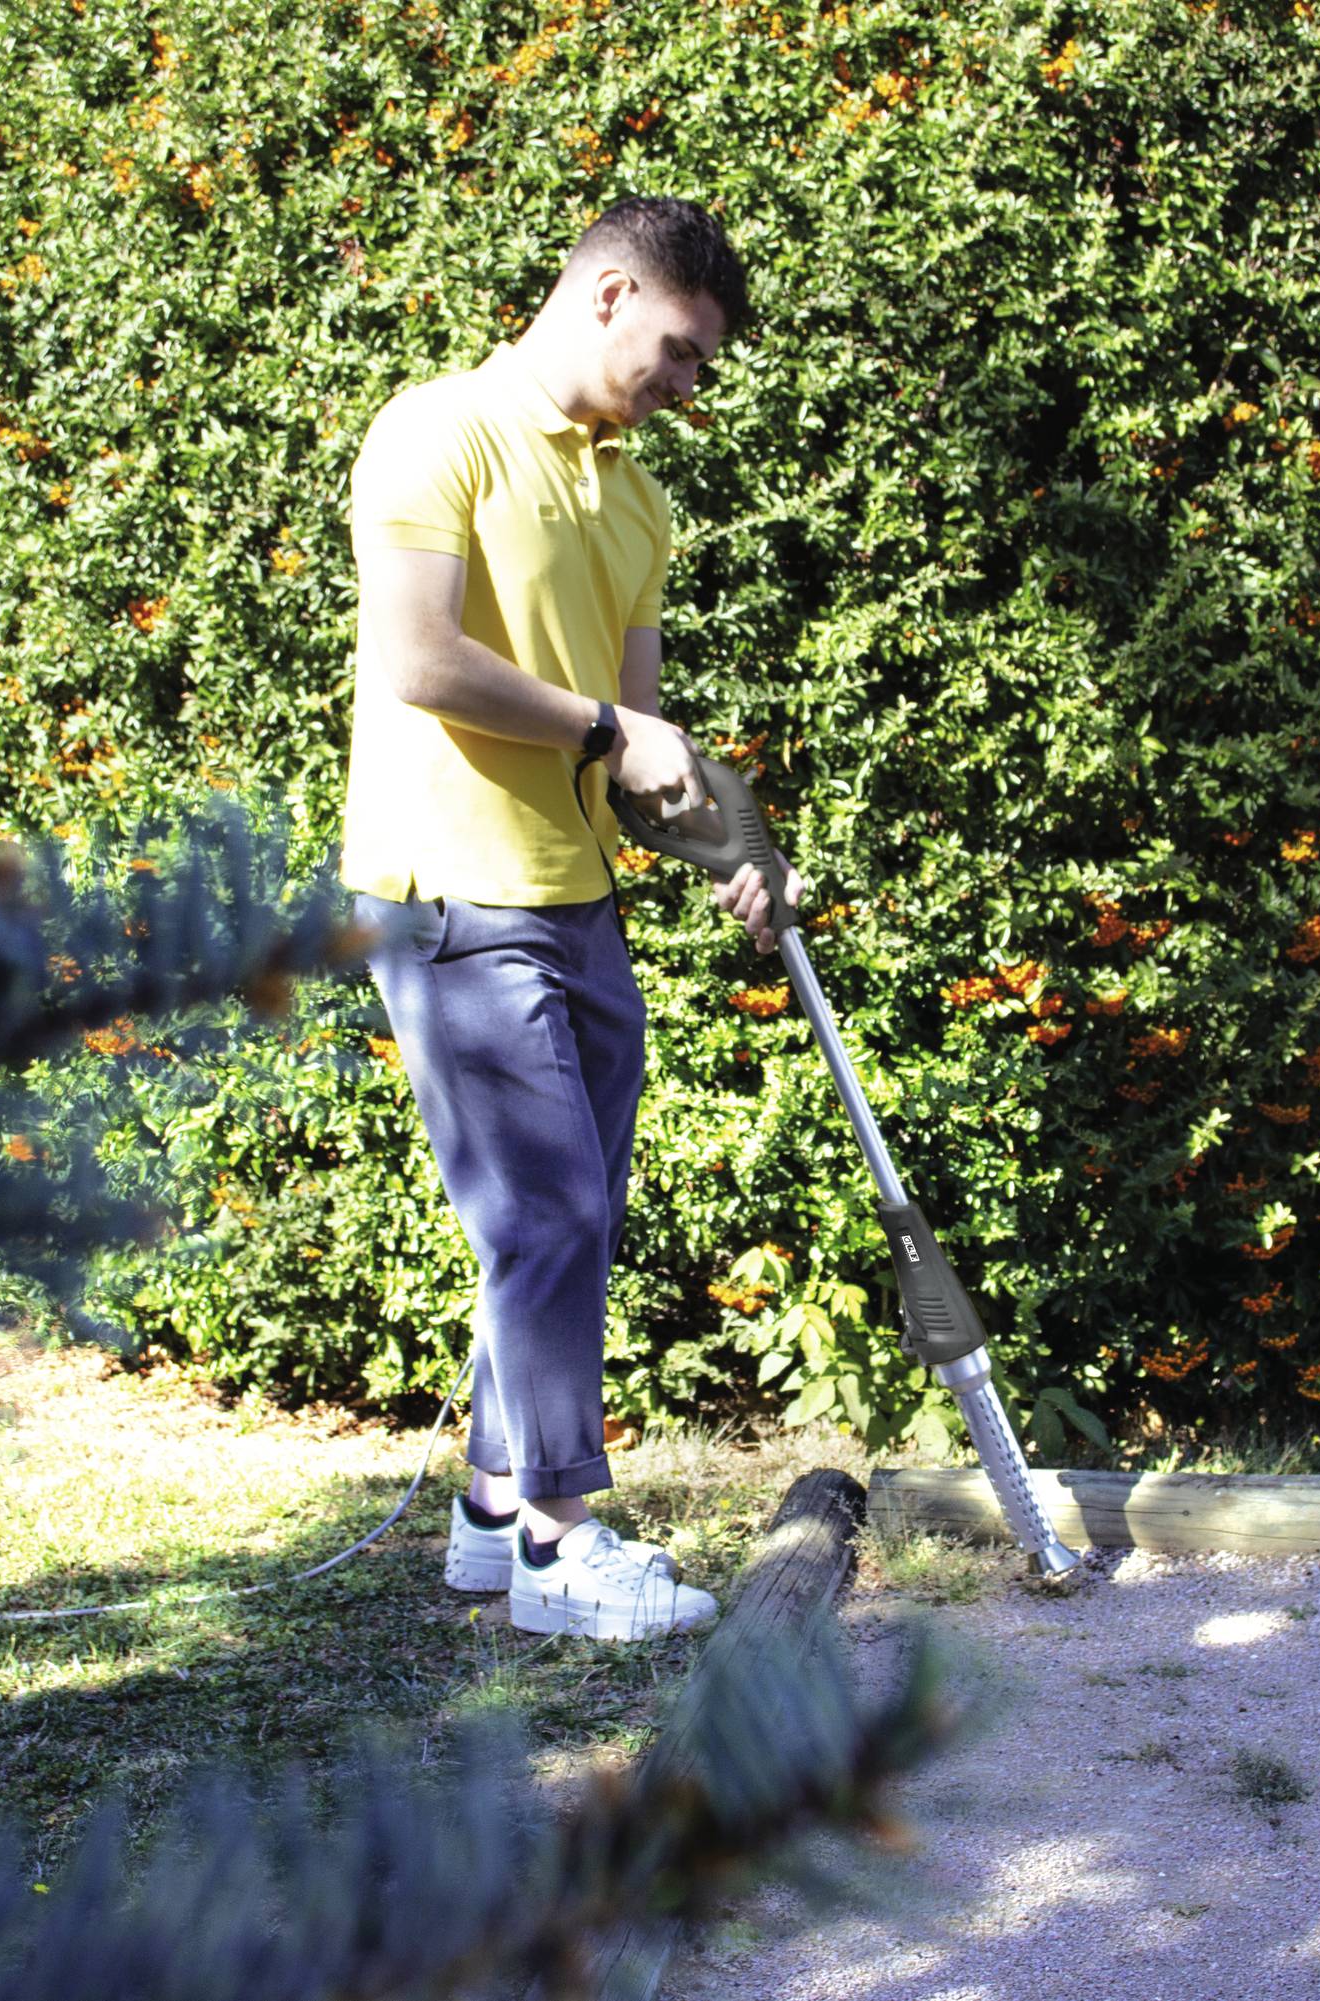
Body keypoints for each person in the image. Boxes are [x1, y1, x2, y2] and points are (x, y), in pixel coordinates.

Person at [343, 196, 795, 1641]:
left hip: (579, 894)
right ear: (606, 294)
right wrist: (609, 721)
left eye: (706, 366)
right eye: (678, 348)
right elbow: (421, 660)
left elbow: (636, 747)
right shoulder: (438, 433)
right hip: (450, 890)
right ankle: (558, 1544)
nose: (686, 384)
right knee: (544, 1209)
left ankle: (492, 1510)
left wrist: (730, 842)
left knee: (571, 1222)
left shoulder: (635, 496)